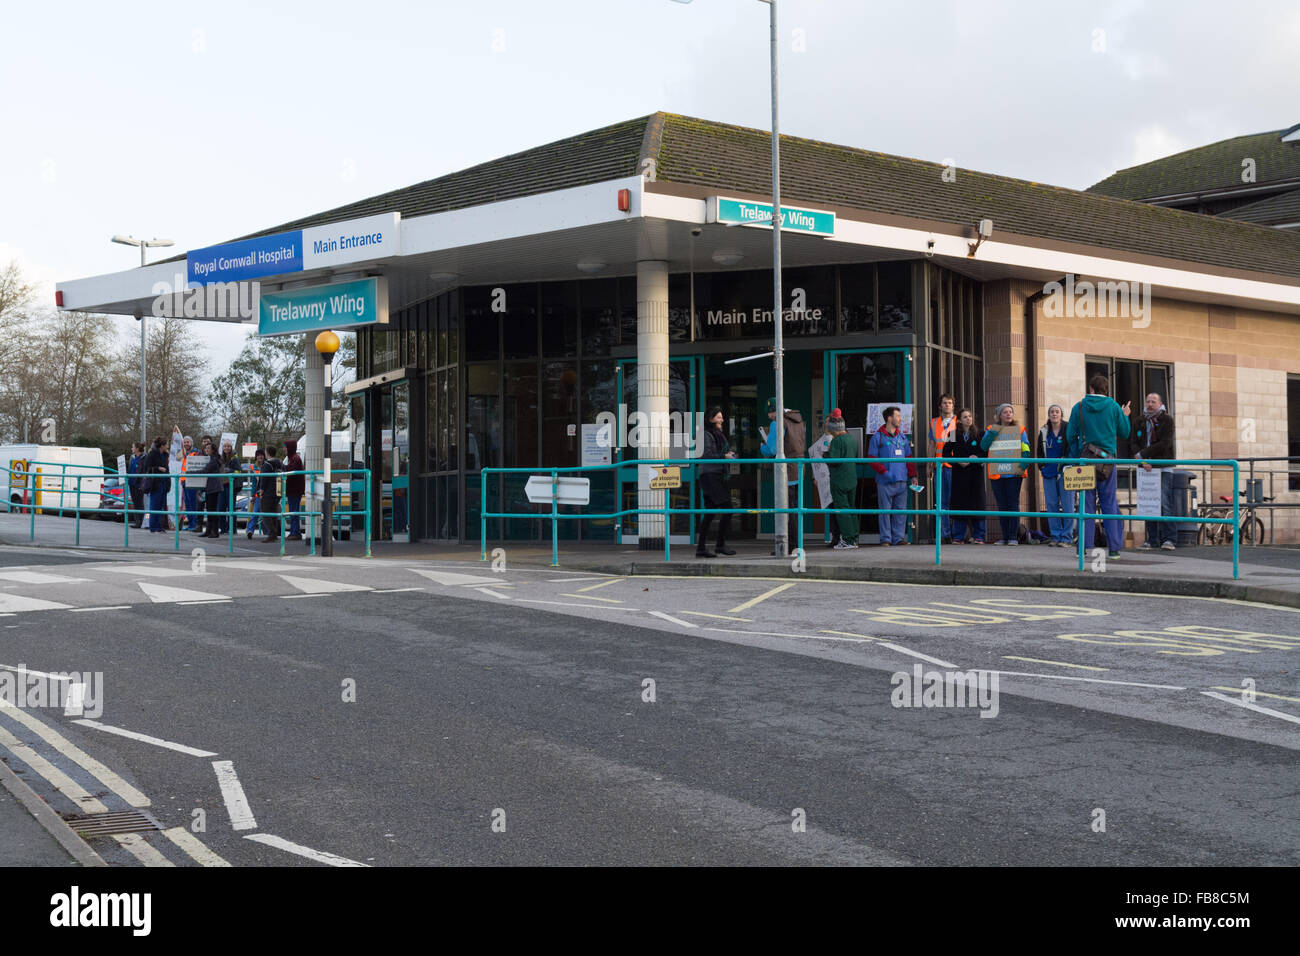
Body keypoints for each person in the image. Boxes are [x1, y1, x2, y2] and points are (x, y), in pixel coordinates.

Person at [1067, 375, 1132, 560]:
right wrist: (1125, 415)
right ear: (1106, 389)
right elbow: (1125, 432)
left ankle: (1084, 547)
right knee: (1109, 503)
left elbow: (1071, 435)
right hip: (1107, 461)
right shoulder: (1113, 407)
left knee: (1085, 505)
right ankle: (1114, 549)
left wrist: (1077, 454)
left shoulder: (1079, 407)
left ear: (1091, 388)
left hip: (1085, 460)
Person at [979, 403, 1031, 545]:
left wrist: (1022, 466)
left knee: (1013, 504)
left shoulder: (1020, 430)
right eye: (1005, 412)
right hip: (998, 474)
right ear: (999, 415)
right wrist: (995, 430)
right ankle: (1005, 537)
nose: (1008, 414)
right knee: (1002, 505)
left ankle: (1013, 537)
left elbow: (1026, 450)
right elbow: (983, 446)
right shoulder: (991, 429)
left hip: (1014, 474)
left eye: (1010, 412)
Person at [760, 397, 806, 554]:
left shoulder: (777, 423)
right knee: (796, 508)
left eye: (770, 413)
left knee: (786, 508)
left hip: (786, 470)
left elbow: (773, 449)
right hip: (799, 468)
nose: (769, 417)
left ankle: (788, 544)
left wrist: (762, 447)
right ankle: (796, 542)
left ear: (774, 411)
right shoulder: (798, 420)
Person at [1132, 392, 1177, 551]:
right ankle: (1152, 539)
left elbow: (1165, 443)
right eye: (1148, 401)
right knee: (1148, 503)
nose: (1150, 404)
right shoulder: (1139, 421)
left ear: (1160, 404)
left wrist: (1145, 455)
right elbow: (1134, 443)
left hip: (1163, 467)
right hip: (1145, 468)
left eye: (1153, 401)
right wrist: (1143, 461)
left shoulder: (1167, 420)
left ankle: (1169, 538)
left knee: (1164, 503)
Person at [868, 406, 916, 547]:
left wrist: (913, 475)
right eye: (898, 416)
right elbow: (871, 458)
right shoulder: (878, 437)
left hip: (901, 481)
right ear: (889, 418)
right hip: (885, 481)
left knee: (901, 512)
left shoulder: (902, 437)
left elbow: (909, 458)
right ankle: (886, 539)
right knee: (884, 512)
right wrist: (884, 472)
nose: (900, 419)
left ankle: (898, 538)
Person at [695, 406, 737, 558]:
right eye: (719, 417)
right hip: (710, 476)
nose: (722, 420)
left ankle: (701, 548)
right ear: (711, 419)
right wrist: (724, 456)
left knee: (710, 512)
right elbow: (706, 455)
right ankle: (719, 545)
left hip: (717, 475)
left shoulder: (718, 435)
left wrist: (728, 454)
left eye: (722, 417)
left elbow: (719, 453)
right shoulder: (705, 435)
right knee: (728, 508)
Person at [943, 408, 986, 544]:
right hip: (959, 475)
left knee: (977, 504)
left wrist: (977, 457)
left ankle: (979, 536)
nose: (968, 419)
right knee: (959, 504)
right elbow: (945, 454)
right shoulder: (953, 434)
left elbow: (985, 452)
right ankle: (958, 536)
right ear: (960, 420)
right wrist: (957, 461)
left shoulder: (980, 434)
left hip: (975, 474)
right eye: (965, 417)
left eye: (970, 416)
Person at [1037, 404, 1074, 547]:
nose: (1054, 414)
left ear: (1061, 414)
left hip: (1066, 472)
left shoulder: (1068, 428)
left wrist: (1068, 464)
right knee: (1051, 504)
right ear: (1048, 415)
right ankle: (1056, 535)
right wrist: (1042, 467)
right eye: (1052, 412)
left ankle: (1067, 537)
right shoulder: (1044, 431)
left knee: (1067, 505)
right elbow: (1039, 452)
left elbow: (1073, 448)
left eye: (1057, 412)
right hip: (1049, 473)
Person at [825, 410, 859, 549]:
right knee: (851, 509)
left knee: (842, 510)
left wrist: (824, 455)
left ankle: (847, 540)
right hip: (852, 478)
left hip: (839, 480)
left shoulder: (836, 441)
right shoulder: (851, 439)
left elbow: (834, 461)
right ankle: (854, 537)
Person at [807, 414, 840, 548]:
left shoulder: (839, 439)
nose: (827, 425)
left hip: (838, 479)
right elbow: (815, 455)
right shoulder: (821, 440)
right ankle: (835, 537)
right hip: (825, 481)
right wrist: (815, 477)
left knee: (840, 510)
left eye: (830, 422)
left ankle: (843, 537)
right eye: (826, 422)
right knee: (831, 511)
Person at [929, 394, 957, 543]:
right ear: (940, 406)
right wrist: (929, 464)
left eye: (950, 403)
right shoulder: (934, 422)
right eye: (945, 403)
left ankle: (956, 534)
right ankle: (945, 534)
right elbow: (932, 444)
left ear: (953, 406)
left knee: (955, 500)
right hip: (939, 466)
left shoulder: (957, 422)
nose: (947, 405)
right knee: (941, 502)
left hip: (954, 467)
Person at [143, 436, 169, 533]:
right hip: (155, 483)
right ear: (162, 445)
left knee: (160, 506)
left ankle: (159, 526)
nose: (167, 446)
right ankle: (153, 527)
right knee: (154, 506)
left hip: (163, 482)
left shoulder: (165, 455)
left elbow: (167, 469)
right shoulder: (152, 454)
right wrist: (158, 468)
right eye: (166, 444)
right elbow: (146, 468)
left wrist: (168, 483)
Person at [259, 445, 283, 542]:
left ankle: (272, 533)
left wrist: (261, 491)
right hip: (278, 491)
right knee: (273, 513)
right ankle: (274, 533)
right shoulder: (280, 464)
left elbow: (263, 479)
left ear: (267, 453)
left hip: (268, 492)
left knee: (265, 513)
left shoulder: (267, 465)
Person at [200, 438, 223, 538]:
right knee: (209, 509)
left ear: (213, 450)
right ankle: (209, 530)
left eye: (208, 448)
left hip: (213, 487)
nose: (206, 450)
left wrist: (189, 473)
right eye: (206, 448)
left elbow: (205, 470)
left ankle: (214, 531)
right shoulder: (211, 459)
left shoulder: (214, 460)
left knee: (212, 509)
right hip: (210, 487)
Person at [283, 439, 305, 541]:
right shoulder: (293, 458)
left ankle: (294, 532)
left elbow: (291, 471)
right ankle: (295, 532)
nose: (284, 449)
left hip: (294, 490)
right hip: (294, 489)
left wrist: (282, 468)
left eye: (285, 447)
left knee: (294, 511)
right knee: (293, 511)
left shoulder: (295, 459)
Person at [218, 440, 240, 535]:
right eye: (225, 446)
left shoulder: (235, 459)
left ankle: (233, 529)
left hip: (231, 485)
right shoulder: (221, 458)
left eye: (228, 446)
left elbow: (238, 472)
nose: (226, 448)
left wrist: (229, 471)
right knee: (221, 507)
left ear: (231, 448)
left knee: (231, 508)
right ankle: (223, 529)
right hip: (222, 485)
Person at [126, 442, 146, 528]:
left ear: (137, 449)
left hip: (139, 483)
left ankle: (141, 521)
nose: (131, 449)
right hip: (132, 483)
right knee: (135, 502)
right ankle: (137, 521)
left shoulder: (144, 458)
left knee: (140, 503)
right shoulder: (132, 457)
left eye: (133, 447)